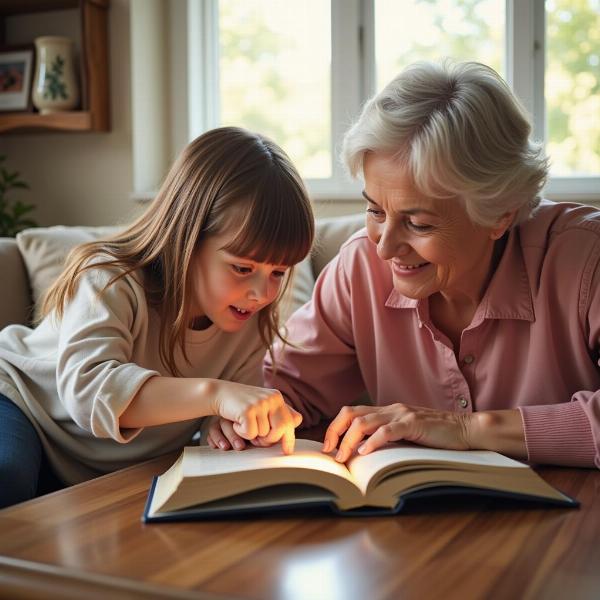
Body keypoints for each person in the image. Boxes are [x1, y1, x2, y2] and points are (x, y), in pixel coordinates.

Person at [208, 60, 599, 469]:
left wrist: (465, 429)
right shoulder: (360, 267)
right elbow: (284, 386)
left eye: (418, 223)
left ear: (500, 214)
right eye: (375, 211)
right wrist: (250, 416)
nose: (385, 248)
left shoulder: (586, 258)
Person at [0, 126, 313, 508]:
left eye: (278, 273)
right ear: (188, 238)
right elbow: (88, 392)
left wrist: (224, 425)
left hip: (108, 463)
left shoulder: (249, 317)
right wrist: (215, 396)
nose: (262, 293)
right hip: (23, 407)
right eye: (243, 268)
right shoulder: (110, 277)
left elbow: (214, 414)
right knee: (7, 474)